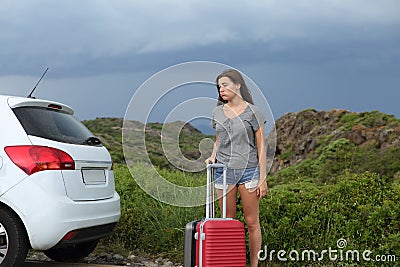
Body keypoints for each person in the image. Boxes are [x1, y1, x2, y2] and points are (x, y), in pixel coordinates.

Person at [205, 69, 268, 267]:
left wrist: (263, 178)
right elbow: (219, 140)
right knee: (228, 222)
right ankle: (230, 262)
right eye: (219, 86)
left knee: (251, 222)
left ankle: (254, 264)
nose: (221, 89)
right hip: (224, 173)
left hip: (249, 171)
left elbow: (261, 146)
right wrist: (212, 155)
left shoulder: (253, 112)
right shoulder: (217, 112)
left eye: (225, 84)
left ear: (238, 85)